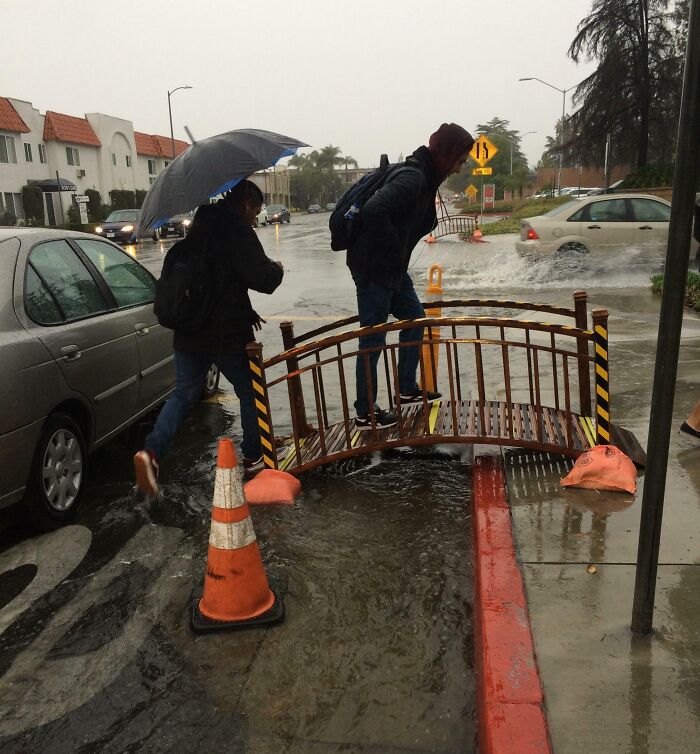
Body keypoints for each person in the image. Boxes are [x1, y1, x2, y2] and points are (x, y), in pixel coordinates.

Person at [134, 180, 284, 496]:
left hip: (188, 335)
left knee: (183, 394)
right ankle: (255, 456)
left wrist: (246, 309)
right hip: (227, 335)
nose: (256, 217)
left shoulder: (190, 241)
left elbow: (214, 283)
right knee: (250, 391)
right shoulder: (237, 234)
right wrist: (276, 268)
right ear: (245, 204)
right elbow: (262, 279)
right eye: (256, 210)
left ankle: (150, 454)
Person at [346, 123, 475, 429]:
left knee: (416, 319)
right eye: (459, 160)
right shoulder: (413, 178)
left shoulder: (425, 177)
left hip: (392, 269)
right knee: (373, 338)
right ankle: (366, 411)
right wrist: (393, 249)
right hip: (375, 268)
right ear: (447, 154)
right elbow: (374, 210)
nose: (459, 168)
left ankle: (405, 389)